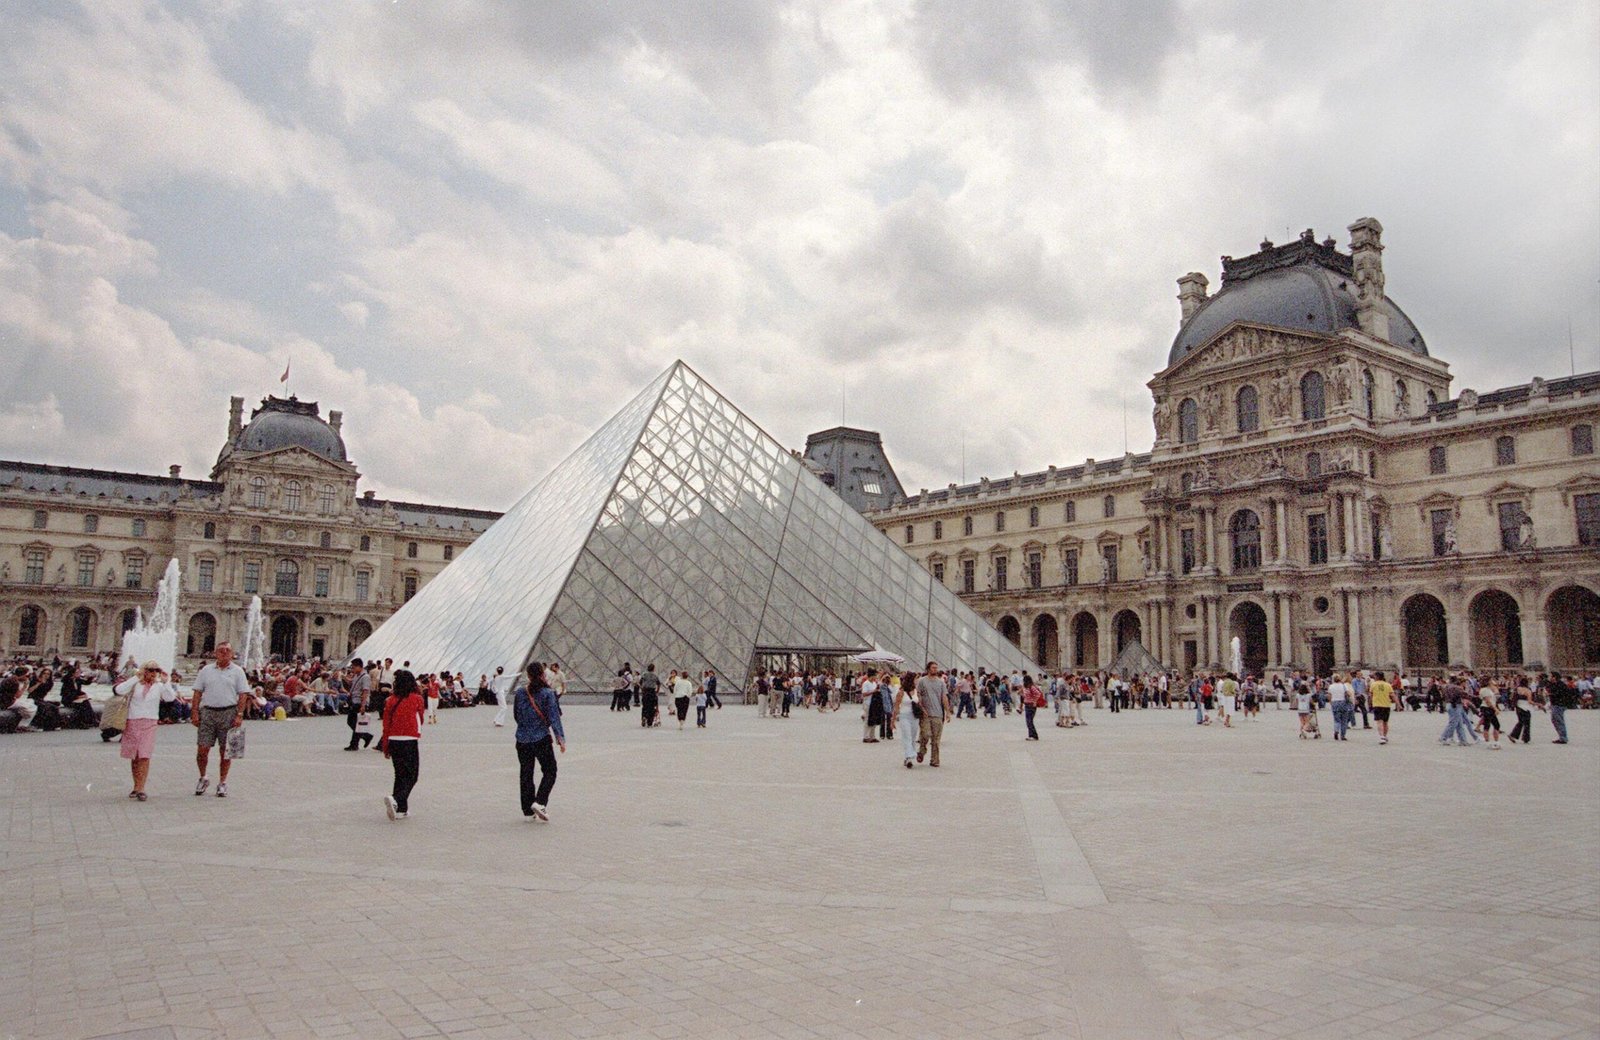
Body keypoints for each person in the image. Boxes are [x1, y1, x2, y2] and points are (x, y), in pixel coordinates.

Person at [190, 643, 251, 797]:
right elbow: (197, 692)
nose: (224, 653)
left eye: (228, 650)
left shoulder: (238, 671)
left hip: (229, 712)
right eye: (221, 650)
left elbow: (243, 694)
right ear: (215, 653)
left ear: (232, 654)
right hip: (208, 712)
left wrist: (239, 714)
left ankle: (223, 782)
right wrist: (195, 712)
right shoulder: (206, 670)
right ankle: (203, 777)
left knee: (226, 751)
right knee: (202, 749)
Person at [114, 661, 179, 800]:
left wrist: (166, 682)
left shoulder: (159, 686)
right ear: (144, 670)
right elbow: (119, 690)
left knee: (144, 754)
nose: (153, 673)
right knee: (135, 755)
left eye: (156, 670)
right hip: (132, 721)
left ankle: (141, 788)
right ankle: (135, 786)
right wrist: (136, 677)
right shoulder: (136, 684)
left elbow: (170, 698)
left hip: (149, 722)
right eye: (150, 670)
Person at [514, 661, 565, 821]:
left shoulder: (520, 692)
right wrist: (560, 738)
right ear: (543, 674)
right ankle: (540, 802)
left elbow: (516, 715)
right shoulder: (548, 693)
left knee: (526, 773)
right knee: (550, 770)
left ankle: (528, 811)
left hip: (522, 739)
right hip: (541, 738)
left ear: (528, 676)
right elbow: (554, 717)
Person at [380, 670, 426, 821]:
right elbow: (421, 718)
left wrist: (385, 746)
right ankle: (395, 798)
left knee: (399, 775)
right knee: (412, 776)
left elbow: (386, 724)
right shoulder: (417, 698)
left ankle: (401, 809)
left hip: (393, 739)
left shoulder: (390, 700)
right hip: (409, 739)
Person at [914, 661, 952, 767]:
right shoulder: (922, 681)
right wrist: (921, 708)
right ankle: (922, 751)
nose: (935, 669)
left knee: (936, 739)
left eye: (936, 668)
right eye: (933, 668)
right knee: (925, 734)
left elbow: (944, 697)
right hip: (925, 714)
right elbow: (918, 695)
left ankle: (935, 760)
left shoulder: (941, 682)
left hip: (938, 714)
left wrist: (948, 712)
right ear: (928, 669)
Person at [892, 673, 919, 767]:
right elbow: (896, 707)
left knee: (913, 736)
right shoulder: (901, 692)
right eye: (915, 679)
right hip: (904, 716)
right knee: (907, 736)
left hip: (914, 717)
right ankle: (909, 757)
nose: (917, 681)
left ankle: (909, 756)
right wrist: (893, 721)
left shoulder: (916, 691)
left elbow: (919, 703)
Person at [344, 658, 372, 750]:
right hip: (354, 700)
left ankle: (355, 744)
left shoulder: (365, 677)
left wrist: (363, 705)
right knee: (352, 722)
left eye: (353, 667)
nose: (352, 669)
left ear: (359, 666)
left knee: (354, 722)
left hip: (359, 702)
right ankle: (365, 737)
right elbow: (353, 683)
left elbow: (365, 691)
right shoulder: (357, 675)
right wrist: (344, 678)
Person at [1369, 672, 1397, 745]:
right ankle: (1385, 736)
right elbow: (1393, 695)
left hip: (1377, 704)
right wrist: (1398, 704)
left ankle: (1381, 737)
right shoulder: (1388, 685)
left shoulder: (1373, 684)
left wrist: (1370, 704)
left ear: (1377, 677)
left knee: (1379, 721)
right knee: (1385, 722)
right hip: (1386, 705)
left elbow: (1371, 695)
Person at [1327, 673, 1352, 741]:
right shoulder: (1343, 686)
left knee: (1336, 719)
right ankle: (1343, 735)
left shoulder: (1331, 686)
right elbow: (1348, 694)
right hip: (1343, 702)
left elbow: (1329, 695)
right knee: (1344, 720)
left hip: (1335, 702)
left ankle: (1336, 730)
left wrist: (1331, 702)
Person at [861, 669, 882, 742]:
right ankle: (866, 736)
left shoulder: (874, 683)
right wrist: (873, 691)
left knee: (874, 719)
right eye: (875, 676)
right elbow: (864, 693)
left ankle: (872, 736)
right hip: (868, 703)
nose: (876, 677)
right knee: (867, 720)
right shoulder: (866, 683)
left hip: (874, 703)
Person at [1021, 673, 1044, 740]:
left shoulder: (1032, 687)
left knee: (1030, 721)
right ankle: (1031, 735)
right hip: (1027, 704)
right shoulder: (1025, 687)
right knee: (1028, 721)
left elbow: (1038, 694)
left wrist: (1034, 701)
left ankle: (1034, 736)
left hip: (1031, 705)